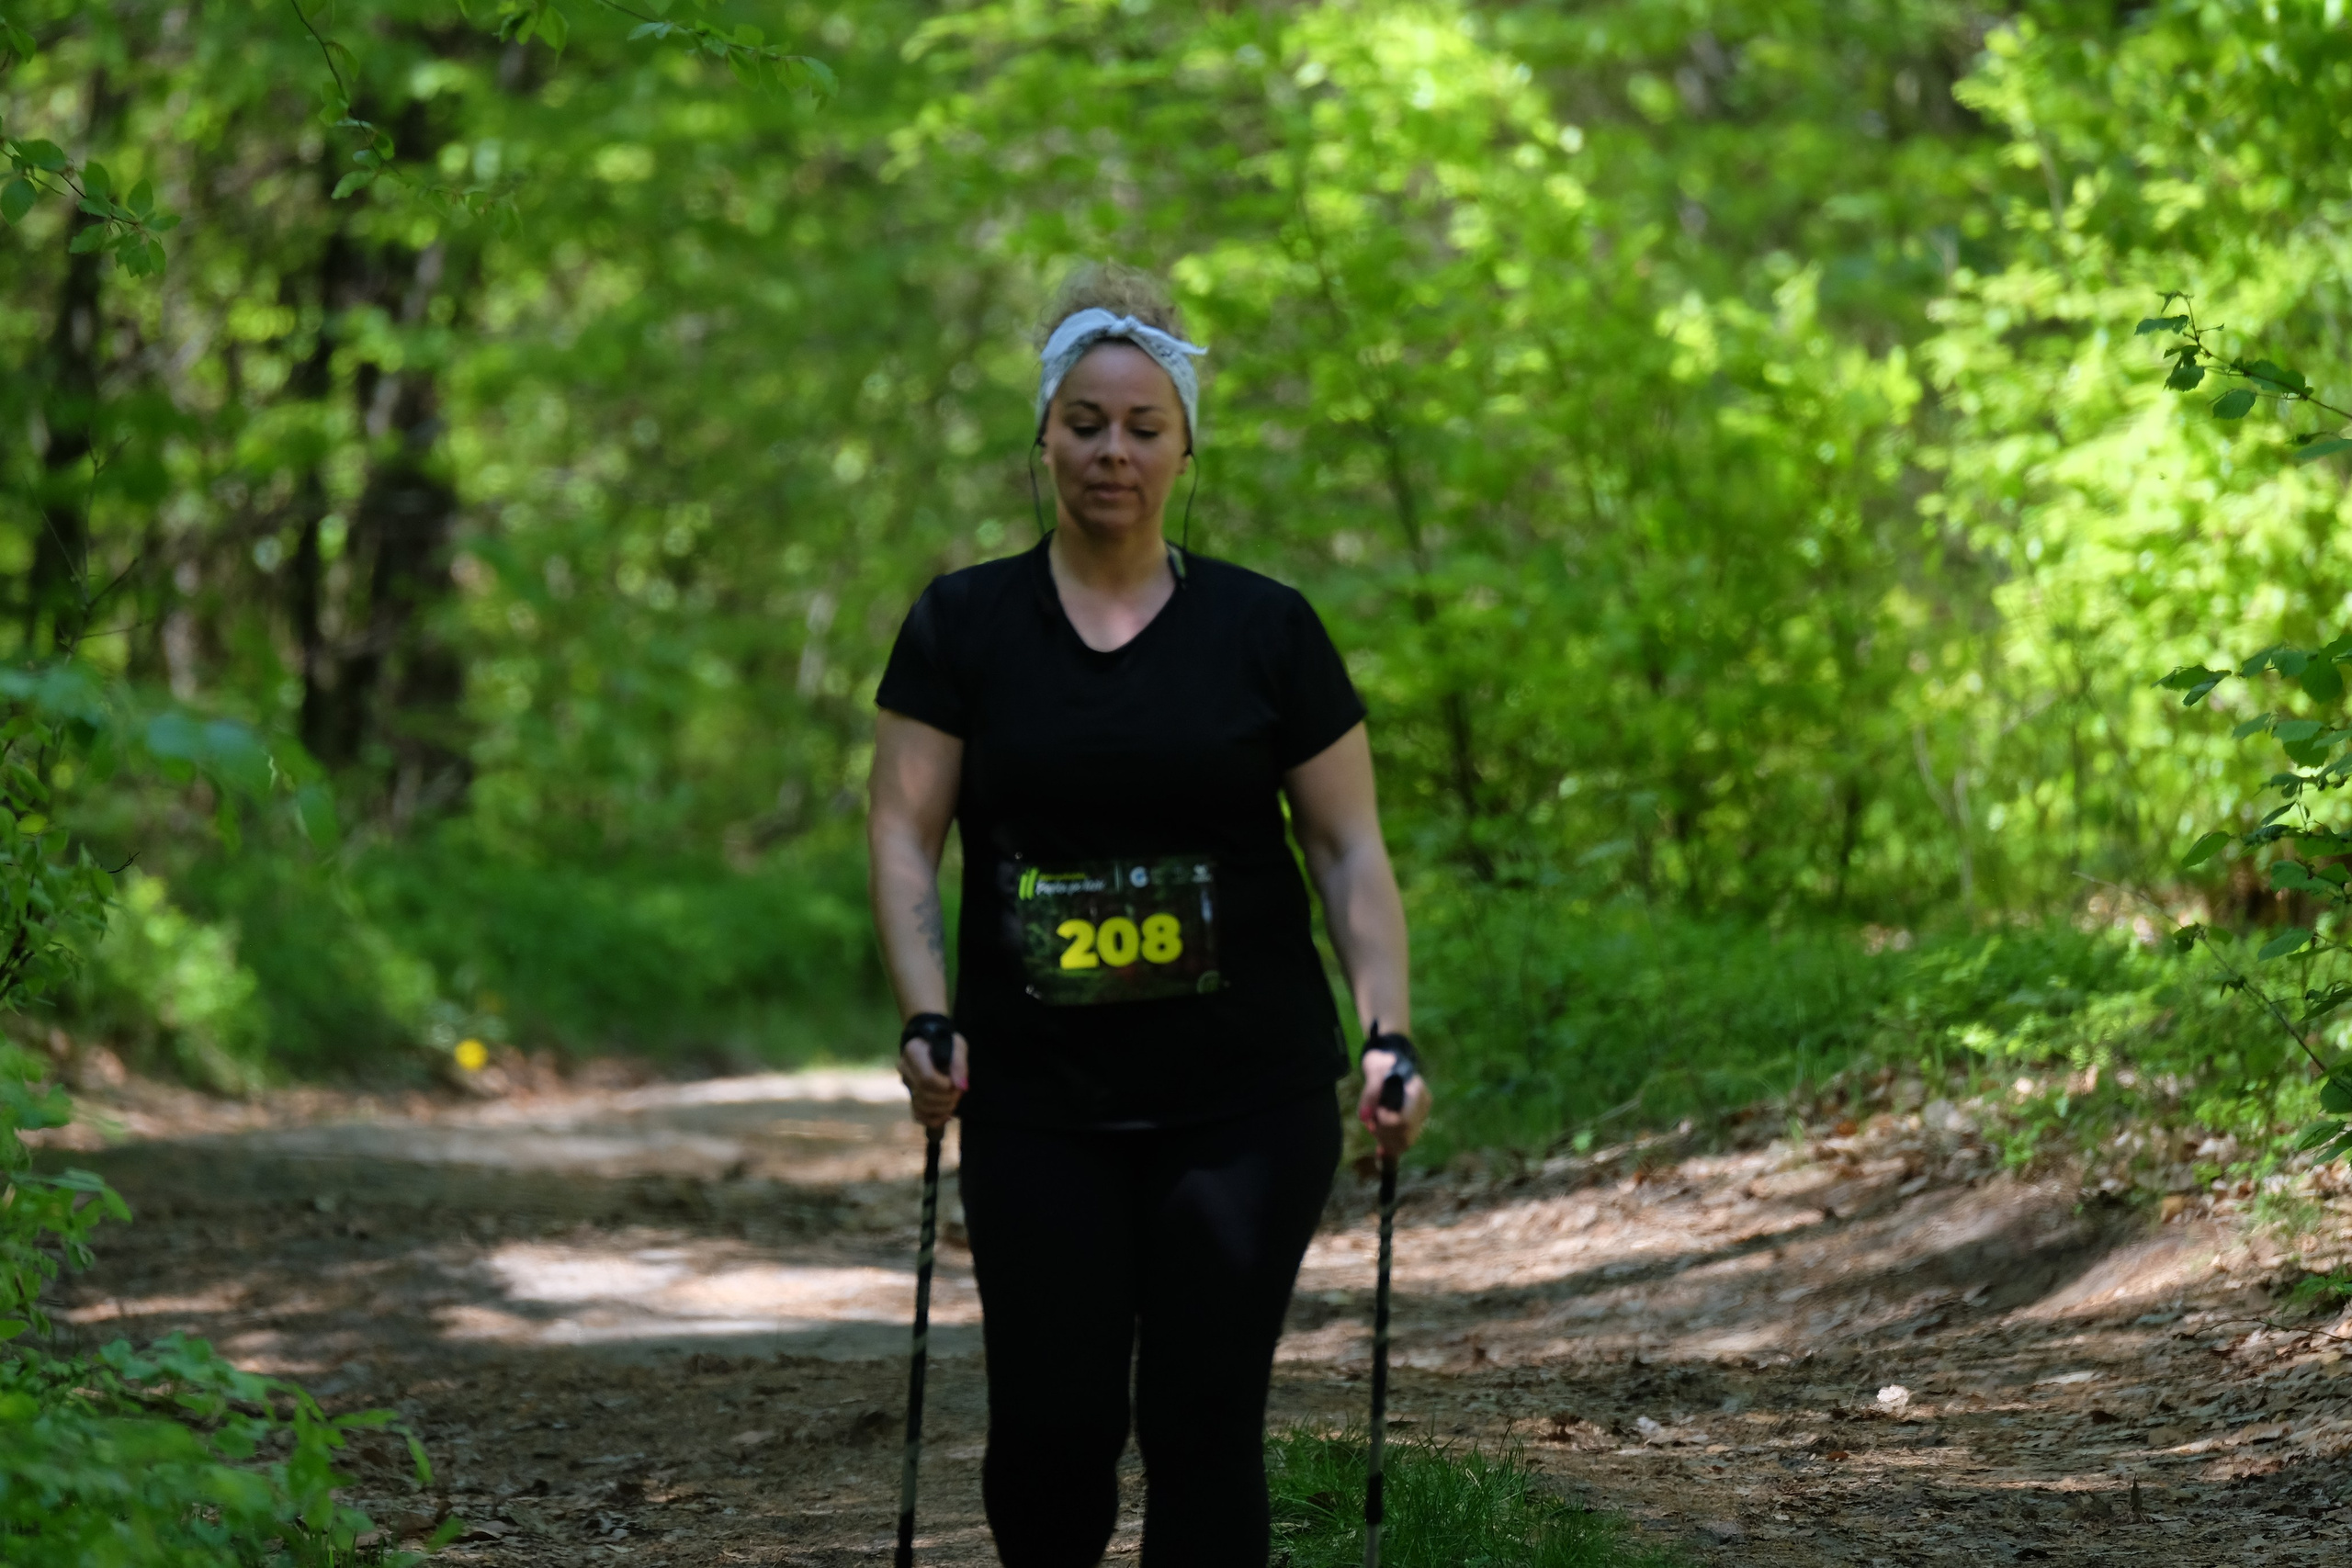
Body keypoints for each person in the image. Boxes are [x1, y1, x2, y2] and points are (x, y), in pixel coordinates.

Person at [865, 263, 1430, 1567]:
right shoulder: (963, 626)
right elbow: (904, 830)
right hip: (1038, 1102)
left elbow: (1348, 851)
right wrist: (926, 1016)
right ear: (1045, 434)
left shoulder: (1266, 631)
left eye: (1140, 427)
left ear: (1183, 446)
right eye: (1084, 423)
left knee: (1203, 1426)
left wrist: (1389, 1034)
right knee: (1053, 1437)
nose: (1110, 452)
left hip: (1243, 1097)